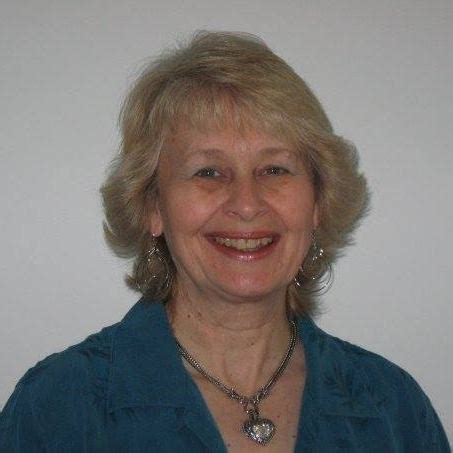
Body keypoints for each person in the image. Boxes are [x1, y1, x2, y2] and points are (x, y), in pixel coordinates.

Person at [0, 31, 450, 452]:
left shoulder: (392, 408)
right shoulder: (58, 408)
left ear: (317, 203)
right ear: (152, 206)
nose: (247, 204)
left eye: (274, 169)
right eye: (209, 172)